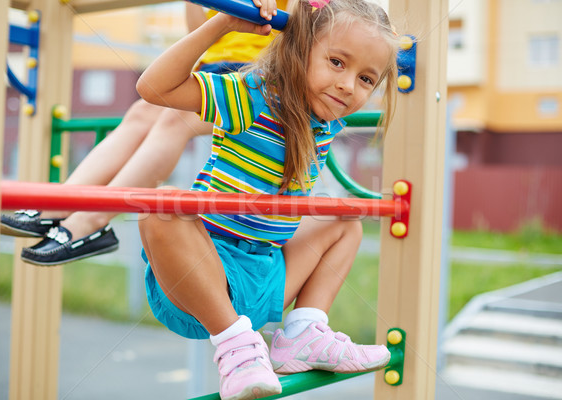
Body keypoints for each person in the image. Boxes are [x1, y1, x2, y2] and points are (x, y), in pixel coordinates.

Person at [135, 0, 399, 399]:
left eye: (366, 79)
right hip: (199, 280)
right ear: (300, 47)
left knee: (345, 220)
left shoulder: (326, 120)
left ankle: (302, 334)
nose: (348, 85)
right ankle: (235, 345)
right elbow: (153, 88)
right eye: (337, 62)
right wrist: (222, 24)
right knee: (161, 207)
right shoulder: (253, 95)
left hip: (265, 279)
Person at [0, 1, 288, 266]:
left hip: (262, 74)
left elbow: (303, 30)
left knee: (175, 120)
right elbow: (201, 35)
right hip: (215, 67)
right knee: (142, 111)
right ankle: (58, 205)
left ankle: (91, 221)